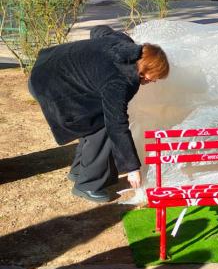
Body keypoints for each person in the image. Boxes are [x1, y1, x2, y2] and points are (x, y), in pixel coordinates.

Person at [28, 25, 169, 203]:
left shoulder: (123, 43)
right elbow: (117, 125)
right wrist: (132, 168)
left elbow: (98, 30)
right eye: (154, 76)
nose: (154, 81)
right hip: (51, 88)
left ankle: (80, 170)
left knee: (91, 118)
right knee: (102, 126)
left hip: (46, 65)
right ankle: (87, 185)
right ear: (145, 70)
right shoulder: (119, 81)